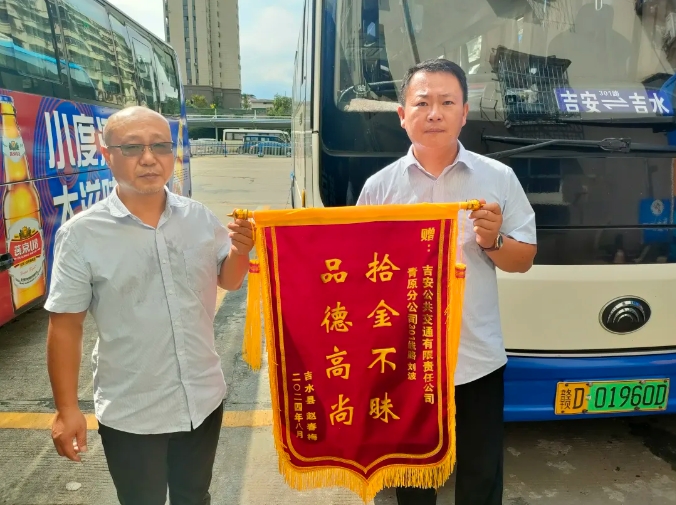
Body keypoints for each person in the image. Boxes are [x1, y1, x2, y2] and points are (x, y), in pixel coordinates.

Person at [45, 106, 253, 505]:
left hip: (202, 398)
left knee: (195, 496)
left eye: (160, 146)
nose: (148, 158)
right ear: (107, 155)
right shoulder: (82, 235)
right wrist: (66, 408)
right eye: (132, 147)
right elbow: (66, 326)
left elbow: (228, 279)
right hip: (133, 411)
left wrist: (240, 251)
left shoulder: (198, 218)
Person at [356, 59, 537, 505]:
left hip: (476, 359)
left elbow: (524, 259)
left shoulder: (497, 179)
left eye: (447, 102)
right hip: (406, 363)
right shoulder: (379, 189)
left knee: (480, 477)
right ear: (403, 115)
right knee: (413, 483)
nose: (434, 113)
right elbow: (358, 274)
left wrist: (494, 241)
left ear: (464, 113)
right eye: (422, 103)